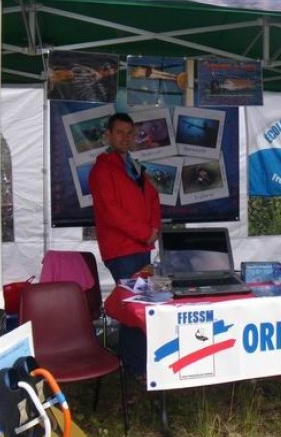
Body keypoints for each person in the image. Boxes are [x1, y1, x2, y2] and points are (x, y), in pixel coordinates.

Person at [89, 112, 162, 379]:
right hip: (121, 250)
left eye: (129, 133)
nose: (125, 138)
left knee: (142, 305)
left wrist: (154, 230)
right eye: (120, 132)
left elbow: (153, 197)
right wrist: (145, 233)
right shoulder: (102, 169)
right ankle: (134, 368)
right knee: (133, 307)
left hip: (141, 246)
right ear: (108, 135)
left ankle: (142, 364)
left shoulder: (134, 166)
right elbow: (111, 212)